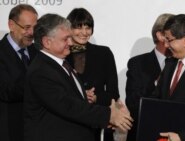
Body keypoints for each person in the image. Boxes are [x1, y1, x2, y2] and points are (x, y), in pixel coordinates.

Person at [23, 13, 133, 141]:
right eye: (65, 39)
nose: (70, 42)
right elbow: (68, 106)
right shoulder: (41, 71)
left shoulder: (61, 64)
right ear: (47, 42)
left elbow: (70, 100)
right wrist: (108, 115)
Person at [65, 7, 121, 141]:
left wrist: (95, 98)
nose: (84, 32)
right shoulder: (62, 54)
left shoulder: (104, 53)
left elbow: (114, 93)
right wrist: (81, 94)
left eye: (88, 27)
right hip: (69, 125)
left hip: (99, 127)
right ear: (69, 29)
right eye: (78, 27)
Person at [125, 13, 173, 141]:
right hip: (144, 134)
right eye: (175, 33)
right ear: (161, 35)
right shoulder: (137, 63)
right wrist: (157, 84)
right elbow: (133, 103)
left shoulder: (182, 64)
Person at [0, 4, 38, 141]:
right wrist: (38, 82)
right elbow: (5, 91)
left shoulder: (38, 52)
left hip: (36, 131)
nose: (32, 33)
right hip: (9, 131)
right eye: (27, 27)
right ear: (11, 25)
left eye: (35, 27)